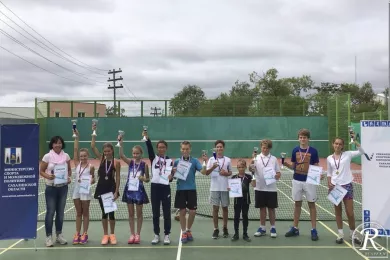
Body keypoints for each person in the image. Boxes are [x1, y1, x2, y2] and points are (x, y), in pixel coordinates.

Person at [283, 128, 322, 241]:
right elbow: (294, 166)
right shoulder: (295, 150)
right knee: (297, 204)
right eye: (300, 137)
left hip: (309, 181)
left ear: (308, 139)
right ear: (298, 138)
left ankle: (314, 229)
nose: (302, 139)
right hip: (297, 180)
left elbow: (316, 166)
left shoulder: (313, 151)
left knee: (312, 205)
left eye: (304, 137)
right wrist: (286, 164)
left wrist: (319, 174)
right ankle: (295, 228)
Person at [327, 134, 364, 245]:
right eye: (336, 143)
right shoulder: (329, 158)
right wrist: (329, 182)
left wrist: (355, 141)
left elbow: (362, 151)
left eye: (340, 144)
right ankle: (340, 234)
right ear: (333, 145)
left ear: (342, 146)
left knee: (350, 213)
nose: (337, 145)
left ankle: (353, 234)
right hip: (335, 187)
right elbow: (329, 172)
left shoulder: (348, 154)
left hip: (347, 186)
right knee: (338, 212)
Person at [172, 141, 207, 243]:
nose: (185, 151)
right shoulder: (177, 161)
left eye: (187, 149)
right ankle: (183, 232)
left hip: (191, 189)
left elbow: (204, 172)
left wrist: (205, 162)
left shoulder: (195, 161)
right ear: (180, 149)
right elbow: (174, 177)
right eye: (183, 149)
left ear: (190, 149)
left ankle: (188, 230)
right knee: (182, 212)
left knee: (192, 212)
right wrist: (173, 173)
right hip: (180, 190)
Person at [40, 135, 72, 247]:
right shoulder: (47, 157)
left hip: (63, 188)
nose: (58, 145)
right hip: (51, 188)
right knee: (50, 212)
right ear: (52, 145)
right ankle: (48, 237)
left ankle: (59, 235)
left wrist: (68, 178)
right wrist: (48, 176)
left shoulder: (66, 156)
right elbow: (41, 171)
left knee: (60, 213)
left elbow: (69, 170)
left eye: (60, 143)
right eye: (55, 143)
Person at [91, 127, 121, 245]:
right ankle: (105, 235)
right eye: (105, 151)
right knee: (104, 212)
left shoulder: (116, 162)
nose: (107, 152)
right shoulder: (101, 159)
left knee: (111, 213)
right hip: (101, 188)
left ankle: (112, 235)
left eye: (109, 151)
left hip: (110, 189)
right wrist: (94, 132)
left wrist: (116, 191)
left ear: (112, 151)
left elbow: (117, 177)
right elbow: (93, 147)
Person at [143, 130, 174, 245]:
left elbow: (170, 177)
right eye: (159, 147)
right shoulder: (153, 158)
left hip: (165, 188)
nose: (161, 149)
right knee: (155, 213)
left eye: (163, 147)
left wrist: (171, 176)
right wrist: (147, 138)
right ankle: (156, 234)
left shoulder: (170, 161)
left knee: (167, 212)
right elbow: (149, 148)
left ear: (166, 148)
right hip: (155, 187)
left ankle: (167, 234)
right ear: (157, 149)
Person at [119, 140, 150, 244]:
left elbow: (148, 179)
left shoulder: (144, 165)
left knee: (139, 214)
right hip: (129, 191)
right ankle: (132, 234)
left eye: (137, 153)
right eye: (134, 153)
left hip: (139, 192)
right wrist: (121, 143)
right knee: (131, 214)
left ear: (141, 154)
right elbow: (121, 155)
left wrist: (143, 178)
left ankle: (138, 234)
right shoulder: (131, 162)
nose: (135, 155)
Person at [249, 139, 281, 238]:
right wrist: (251, 163)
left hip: (271, 188)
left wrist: (276, 176)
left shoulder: (274, 159)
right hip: (259, 187)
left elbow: (278, 173)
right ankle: (262, 227)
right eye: (263, 147)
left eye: (267, 148)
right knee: (262, 209)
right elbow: (251, 170)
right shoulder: (256, 158)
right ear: (261, 147)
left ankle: (273, 227)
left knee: (271, 209)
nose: (265, 149)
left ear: (270, 148)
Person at [205, 140, 232, 239]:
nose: (219, 148)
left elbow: (230, 173)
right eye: (218, 147)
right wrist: (213, 167)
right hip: (214, 188)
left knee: (225, 208)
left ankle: (225, 228)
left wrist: (226, 173)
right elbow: (207, 172)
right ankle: (215, 229)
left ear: (223, 148)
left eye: (221, 147)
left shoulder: (228, 160)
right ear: (215, 148)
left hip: (225, 187)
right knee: (215, 209)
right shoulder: (211, 159)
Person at [72, 130, 95, 245]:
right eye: (81, 156)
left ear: (88, 156)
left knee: (85, 213)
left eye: (85, 156)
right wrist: (77, 137)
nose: (83, 157)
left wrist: (91, 181)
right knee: (78, 213)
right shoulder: (76, 164)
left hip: (85, 191)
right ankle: (77, 233)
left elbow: (94, 179)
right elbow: (75, 150)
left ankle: (85, 233)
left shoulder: (91, 167)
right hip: (77, 191)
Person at [229, 159, 252, 242]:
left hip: (246, 200)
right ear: (237, 168)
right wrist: (230, 188)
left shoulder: (248, 177)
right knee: (236, 217)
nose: (241, 169)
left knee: (245, 216)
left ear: (245, 167)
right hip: (237, 201)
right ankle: (236, 234)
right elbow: (231, 188)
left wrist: (254, 174)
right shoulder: (234, 177)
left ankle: (245, 234)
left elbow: (254, 184)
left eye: (242, 167)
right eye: (239, 167)